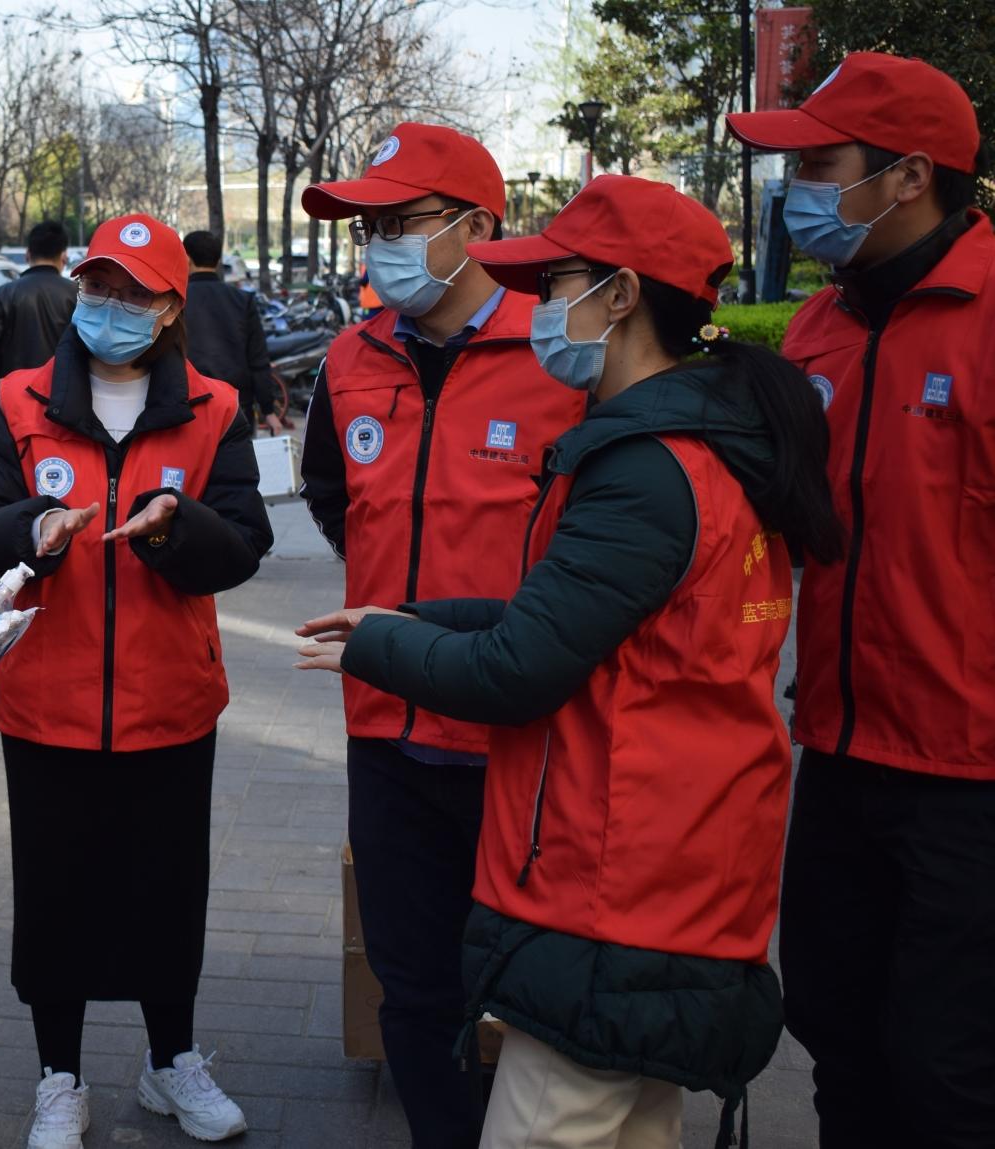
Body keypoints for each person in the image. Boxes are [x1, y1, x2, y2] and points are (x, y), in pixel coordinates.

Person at [298, 175, 845, 1149]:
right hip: (680, 866)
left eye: (558, 284)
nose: (544, 308)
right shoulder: (701, 443)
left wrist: (379, 645)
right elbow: (571, 616)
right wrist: (416, 615)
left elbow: (516, 668)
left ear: (622, 295)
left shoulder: (646, 465)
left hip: (619, 877)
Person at [0, 214, 271, 1149]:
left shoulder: (211, 408)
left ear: (171, 308)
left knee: (166, 893)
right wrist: (31, 531)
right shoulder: (17, 401)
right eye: (98, 286)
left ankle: (174, 1062)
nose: (110, 307)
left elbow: (244, 543)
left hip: (171, 704)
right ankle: (59, 1078)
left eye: (133, 292)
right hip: (45, 704)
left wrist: (175, 525)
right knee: (58, 900)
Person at [295, 121, 586, 1149]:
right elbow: (332, 493)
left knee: (534, 979)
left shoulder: (559, 354)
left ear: (476, 224)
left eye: (401, 220)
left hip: (518, 729)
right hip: (384, 722)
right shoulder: (349, 355)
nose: (378, 242)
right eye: (368, 224)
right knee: (411, 987)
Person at [725, 52, 995, 1148]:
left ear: (910, 176)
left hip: (970, 778)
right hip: (836, 750)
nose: (796, 190)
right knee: (836, 1026)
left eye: (818, 164)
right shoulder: (815, 332)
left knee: (948, 1068)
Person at [0, 220, 78, 421]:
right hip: (62, 403)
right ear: (63, 257)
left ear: (28, 255)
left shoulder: (3, 295)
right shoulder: (77, 295)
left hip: (11, 405)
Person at [183, 229, 282, 434]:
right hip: (237, 407)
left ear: (187, 258)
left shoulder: (176, 301)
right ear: (218, 260)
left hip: (188, 406)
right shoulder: (242, 300)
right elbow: (258, 360)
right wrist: (268, 410)